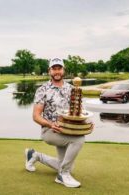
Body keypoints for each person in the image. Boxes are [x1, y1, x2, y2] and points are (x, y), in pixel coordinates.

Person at [24, 57, 89, 188]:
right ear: (49, 71)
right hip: (50, 130)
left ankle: (35, 156)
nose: (57, 71)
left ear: (64, 70)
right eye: (54, 69)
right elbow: (36, 116)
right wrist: (50, 124)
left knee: (66, 165)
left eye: (59, 68)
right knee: (78, 140)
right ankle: (62, 175)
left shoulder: (72, 89)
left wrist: (87, 123)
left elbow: (79, 111)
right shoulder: (42, 90)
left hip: (67, 129)